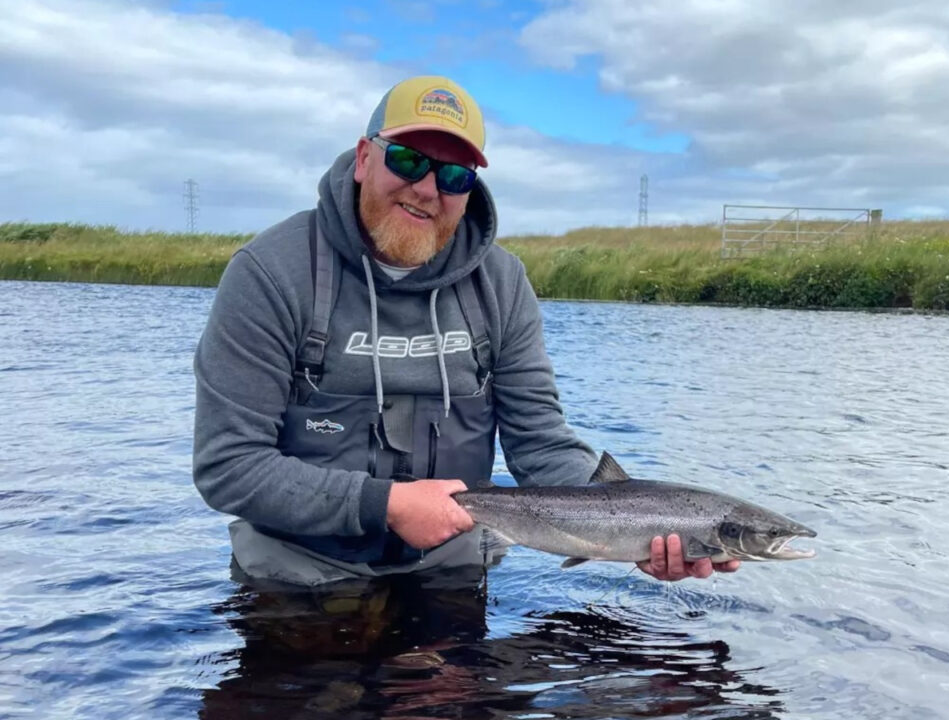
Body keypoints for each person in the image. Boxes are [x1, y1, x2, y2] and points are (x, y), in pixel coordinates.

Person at [192, 75, 739, 587]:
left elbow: (540, 443)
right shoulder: (271, 273)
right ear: (364, 159)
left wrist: (629, 528)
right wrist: (384, 504)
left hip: (449, 567)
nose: (428, 188)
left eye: (454, 175)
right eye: (408, 160)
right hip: (298, 569)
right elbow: (229, 465)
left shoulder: (500, 283)